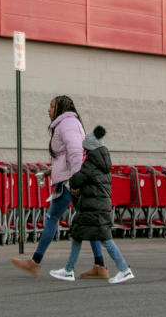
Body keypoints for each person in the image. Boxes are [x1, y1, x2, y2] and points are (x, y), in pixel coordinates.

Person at [11, 96, 105, 277]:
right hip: (71, 179)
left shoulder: (66, 124)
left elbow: (76, 152)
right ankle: (100, 265)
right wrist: (49, 172)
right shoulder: (69, 122)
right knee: (88, 220)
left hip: (70, 182)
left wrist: (77, 180)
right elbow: (65, 157)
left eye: (51, 106)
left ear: (60, 108)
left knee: (52, 217)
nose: (48, 109)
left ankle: (35, 262)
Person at [49, 126, 135, 283]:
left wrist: (76, 185)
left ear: (89, 148)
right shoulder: (103, 161)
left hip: (95, 207)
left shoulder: (91, 162)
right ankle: (68, 270)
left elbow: (76, 179)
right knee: (77, 234)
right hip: (96, 205)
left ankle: (124, 269)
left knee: (106, 239)